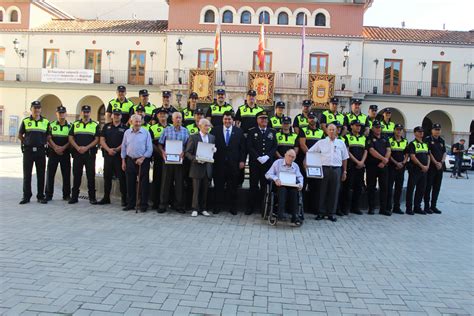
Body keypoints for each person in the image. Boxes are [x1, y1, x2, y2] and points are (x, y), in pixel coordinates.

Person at [308, 123, 348, 222]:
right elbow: (310, 152)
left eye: (333, 130)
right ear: (327, 131)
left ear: (337, 131)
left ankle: (331, 213)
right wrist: (310, 165)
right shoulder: (321, 142)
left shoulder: (341, 143)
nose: (331, 131)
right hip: (324, 169)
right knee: (322, 191)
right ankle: (321, 213)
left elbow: (345, 158)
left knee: (334, 192)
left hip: (336, 170)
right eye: (329, 129)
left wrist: (344, 172)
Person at [211, 111, 246, 215]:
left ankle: (233, 207)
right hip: (219, 163)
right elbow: (210, 145)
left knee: (233, 187)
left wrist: (242, 161)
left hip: (234, 164)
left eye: (229, 119)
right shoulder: (215, 130)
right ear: (222, 119)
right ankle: (217, 206)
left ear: (233, 120)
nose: (227, 121)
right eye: (225, 119)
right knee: (218, 187)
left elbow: (243, 149)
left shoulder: (239, 131)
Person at [246, 111, 278, 215]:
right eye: (261, 118)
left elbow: (274, 146)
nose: (264, 120)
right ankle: (250, 207)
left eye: (265, 118)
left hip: (267, 163)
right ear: (257, 120)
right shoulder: (252, 131)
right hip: (255, 163)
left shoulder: (272, 132)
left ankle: (264, 207)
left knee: (265, 186)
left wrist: (267, 156)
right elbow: (249, 146)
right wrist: (258, 157)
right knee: (253, 185)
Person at [158, 112, 190, 213]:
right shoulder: (166, 130)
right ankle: (163, 205)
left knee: (179, 183)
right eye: (176, 118)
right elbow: (160, 144)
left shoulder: (186, 131)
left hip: (180, 162)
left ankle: (179, 205)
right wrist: (163, 152)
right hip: (168, 161)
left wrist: (184, 152)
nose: (178, 120)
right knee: (165, 183)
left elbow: (188, 146)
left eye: (180, 118)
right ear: (172, 120)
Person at [18, 101, 49, 204]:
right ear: (31, 109)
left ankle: (40, 196)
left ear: (41, 109)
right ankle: (26, 196)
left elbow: (49, 136)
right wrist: (26, 142)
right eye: (35, 108)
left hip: (40, 151)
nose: (37, 110)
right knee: (27, 175)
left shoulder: (45, 122)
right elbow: (20, 134)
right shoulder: (26, 121)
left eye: (38, 108)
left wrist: (43, 142)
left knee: (41, 174)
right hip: (28, 151)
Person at [68, 105, 100, 204]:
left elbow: (97, 139)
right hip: (77, 153)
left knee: (91, 176)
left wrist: (86, 147)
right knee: (76, 175)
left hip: (90, 154)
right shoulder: (75, 124)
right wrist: (77, 147)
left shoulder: (95, 125)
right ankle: (74, 197)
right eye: (84, 112)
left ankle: (92, 197)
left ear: (90, 113)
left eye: (87, 112)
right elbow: (70, 137)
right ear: (81, 113)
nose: (86, 114)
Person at [121, 114, 153, 212]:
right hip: (130, 160)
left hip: (143, 161)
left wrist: (142, 158)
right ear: (131, 122)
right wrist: (123, 160)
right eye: (136, 121)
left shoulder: (146, 132)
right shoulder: (127, 133)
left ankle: (143, 205)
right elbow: (124, 147)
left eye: (139, 121)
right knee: (130, 183)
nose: (138, 123)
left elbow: (150, 149)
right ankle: (131, 203)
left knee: (144, 184)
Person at [185, 118, 215, 217]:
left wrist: (214, 150)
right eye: (206, 125)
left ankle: (203, 208)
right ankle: (195, 208)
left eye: (209, 125)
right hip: (197, 167)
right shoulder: (193, 137)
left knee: (205, 190)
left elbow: (211, 152)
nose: (208, 127)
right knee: (196, 190)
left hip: (207, 168)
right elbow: (188, 153)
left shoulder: (212, 137)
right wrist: (196, 159)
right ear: (200, 126)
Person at [265, 149, 304, 226]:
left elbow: (300, 177)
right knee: (282, 190)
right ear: (285, 155)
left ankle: (295, 216)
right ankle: (280, 214)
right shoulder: (277, 163)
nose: (291, 158)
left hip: (291, 186)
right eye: (289, 156)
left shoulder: (295, 166)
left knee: (294, 191)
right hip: (279, 186)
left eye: (293, 157)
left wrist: (301, 184)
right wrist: (276, 179)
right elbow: (268, 174)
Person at [98, 109, 127, 206]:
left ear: (121, 116)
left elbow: (126, 142)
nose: (116, 116)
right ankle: (106, 198)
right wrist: (108, 149)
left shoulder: (125, 128)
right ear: (112, 116)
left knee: (122, 178)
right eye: (115, 114)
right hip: (108, 156)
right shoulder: (106, 126)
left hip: (119, 156)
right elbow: (102, 140)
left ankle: (124, 199)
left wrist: (117, 149)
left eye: (118, 115)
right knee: (107, 177)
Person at [298, 111, 324, 215]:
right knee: (303, 185)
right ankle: (301, 208)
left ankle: (314, 208)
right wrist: (310, 157)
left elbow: (322, 146)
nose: (311, 119)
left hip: (317, 163)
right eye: (309, 118)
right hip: (305, 161)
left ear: (316, 119)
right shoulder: (303, 130)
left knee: (315, 187)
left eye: (313, 118)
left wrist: (315, 159)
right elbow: (302, 145)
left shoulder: (321, 132)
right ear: (307, 119)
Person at [340, 120, 367, 216]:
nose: (358, 127)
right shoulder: (347, 137)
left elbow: (366, 151)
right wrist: (357, 161)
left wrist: (362, 162)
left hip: (360, 167)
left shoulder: (363, 137)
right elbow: (347, 152)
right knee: (347, 188)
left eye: (359, 126)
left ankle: (355, 207)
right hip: (351, 166)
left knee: (358, 188)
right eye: (356, 125)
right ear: (351, 126)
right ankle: (345, 208)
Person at [45, 105, 71, 202]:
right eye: (60, 113)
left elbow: (71, 139)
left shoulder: (70, 126)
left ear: (66, 114)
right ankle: (48, 195)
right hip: (53, 152)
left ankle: (66, 195)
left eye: (63, 113)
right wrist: (55, 147)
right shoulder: (51, 125)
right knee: (50, 174)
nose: (61, 114)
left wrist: (63, 148)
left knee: (66, 175)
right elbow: (48, 138)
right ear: (56, 114)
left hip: (65, 153)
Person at [366, 120, 391, 215]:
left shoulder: (385, 137)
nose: (378, 129)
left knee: (384, 187)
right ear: (372, 128)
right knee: (371, 187)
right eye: (376, 127)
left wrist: (384, 161)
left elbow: (389, 150)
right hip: (372, 166)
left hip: (383, 166)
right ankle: (371, 208)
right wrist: (383, 159)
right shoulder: (369, 138)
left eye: (379, 127)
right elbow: (371, 150)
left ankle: (383, 209)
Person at [406, 126, 430, 215]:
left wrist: (427, 166)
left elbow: (428, 156)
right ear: (415, 133)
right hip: (415, 170)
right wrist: (421, 166)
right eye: (419, 132)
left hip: (424, 170)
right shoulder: (412, 144)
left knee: (421, 189)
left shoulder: (425, 144)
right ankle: (409, 208)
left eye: (422, 132)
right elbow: (412, 157)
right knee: (411, 189)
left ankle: (417, 207)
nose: (421, 133)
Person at [149, 108, 169, 209]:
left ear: (167, 116)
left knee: (168, 181)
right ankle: (155, 202)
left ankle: (167, 201)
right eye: (160, 114)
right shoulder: (152, 128)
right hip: (158, 157)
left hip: (170, 159)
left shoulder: (172, 127)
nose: (162, 116)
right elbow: (151, 143)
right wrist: (161, 153)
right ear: (157, 116)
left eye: (164, 114)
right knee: (157, 179)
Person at [423, 123, 445, 214]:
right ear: (432, 130)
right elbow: (429, 152)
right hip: (431, 167)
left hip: (439, 167)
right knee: (428, 187)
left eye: (439, 129)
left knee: (437, 187)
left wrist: (441, 162)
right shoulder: (428, 139)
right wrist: (435, 162)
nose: (437, 131)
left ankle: (433, 206)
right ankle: (426, 206)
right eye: (435, 129)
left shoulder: (441, 140)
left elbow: (444, 152)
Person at [387, 124, 408, 214]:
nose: (399, 131)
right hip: (391, 167)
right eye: (397, 129)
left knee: (399, 188)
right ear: (394, 130)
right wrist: (396, 163)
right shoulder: (389, 140)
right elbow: (389, 154)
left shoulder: (405, 141)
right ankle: (388, 207)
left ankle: (396, 207)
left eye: (400, 129)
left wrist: (403, 163)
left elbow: (407, 154)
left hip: (401, 168)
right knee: (389, 187)